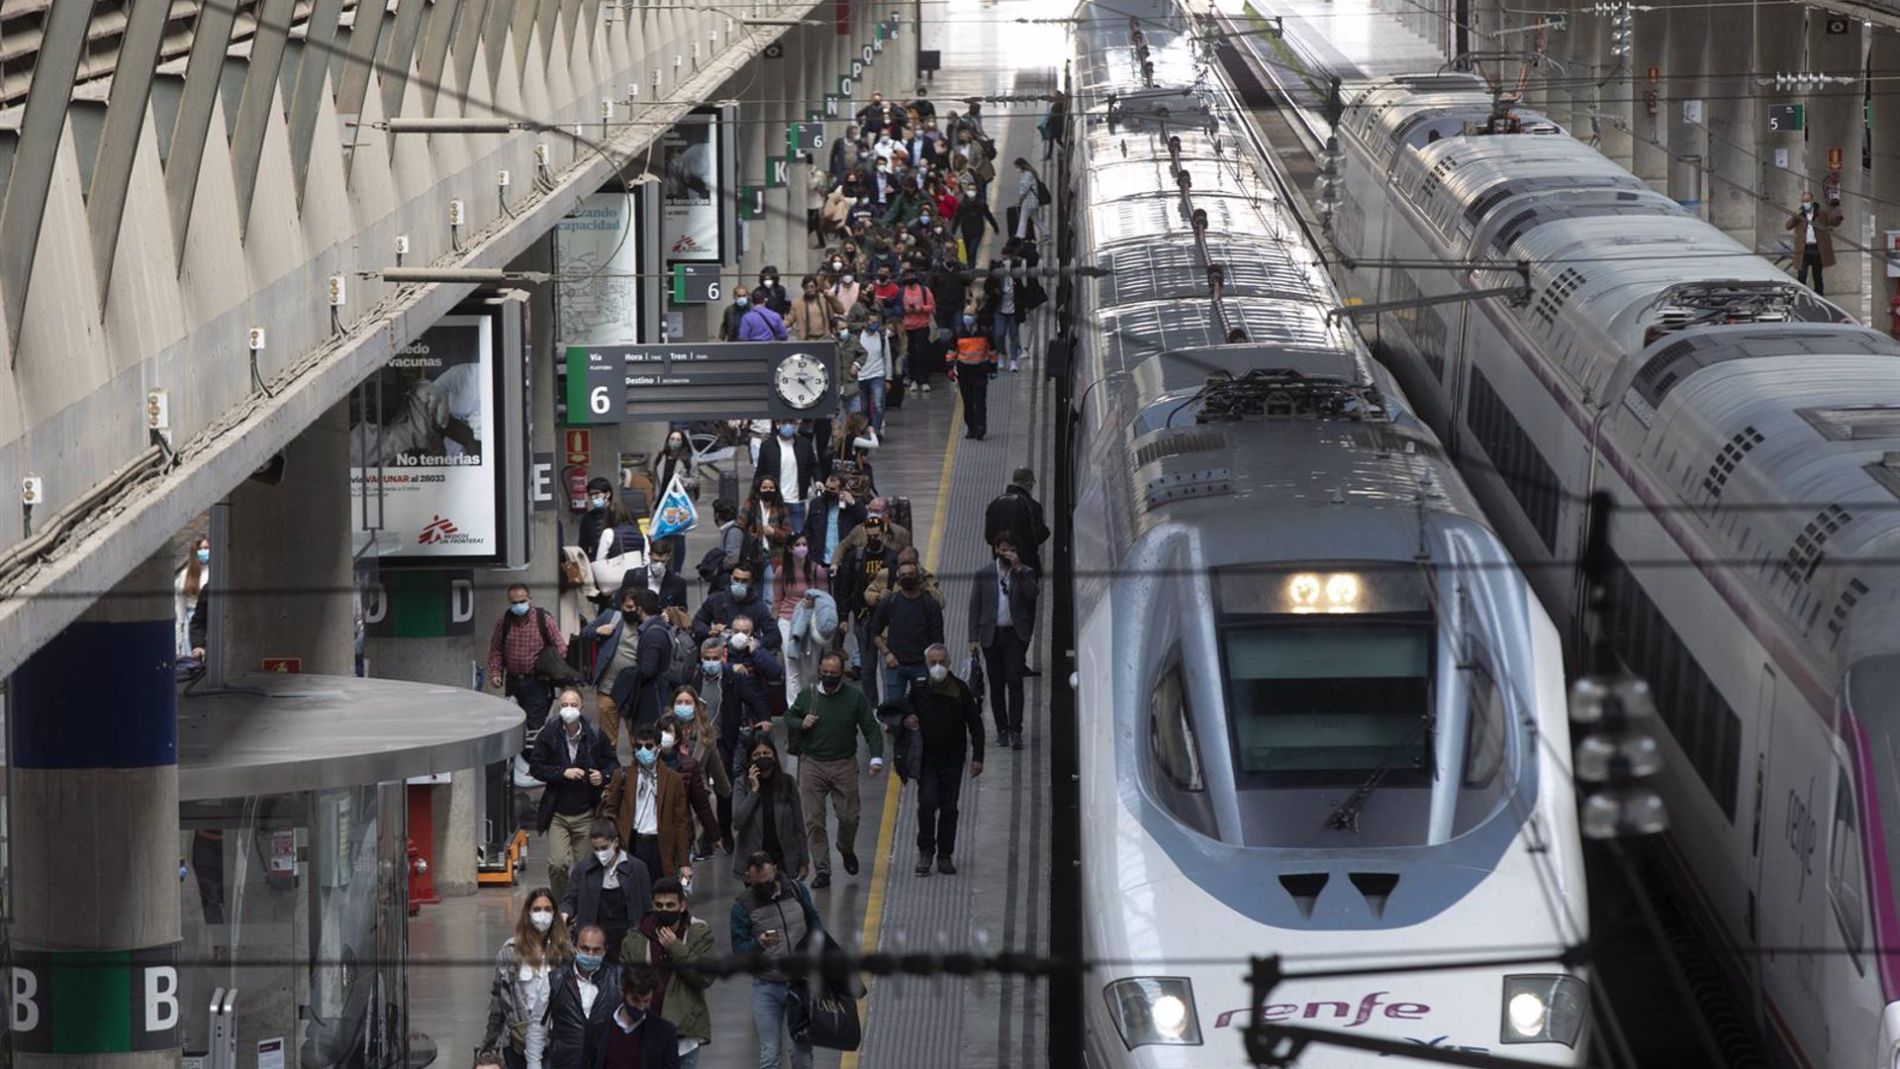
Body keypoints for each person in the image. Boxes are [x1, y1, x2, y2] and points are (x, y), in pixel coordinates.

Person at [786, 651, 884, 888]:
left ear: (843, 674)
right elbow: (789, 717)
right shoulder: (807, 696)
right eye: (825, 673)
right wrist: (802, 722)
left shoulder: (854, 698)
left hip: (844, 763)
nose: (829, 677)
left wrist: (876, 758)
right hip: (812, 764)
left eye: (834, 674)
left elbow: (870, 728)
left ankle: (846, 847)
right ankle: (823, 870)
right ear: (819, 671)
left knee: (849, 816)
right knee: (814, 821)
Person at [890, 645, 984, 875]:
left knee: (950, 808)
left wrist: (978, 757)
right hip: (927, 760)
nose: (938, 667)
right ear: (926, 664)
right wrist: (907, 721)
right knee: (927, 804)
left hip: (953, 760)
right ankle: (925, 852)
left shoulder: (960, 690)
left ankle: (945, 854)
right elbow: (901, 713)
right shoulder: (919, 690)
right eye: (933, 663)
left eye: (942, 661)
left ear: (949, 662)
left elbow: (975, 725)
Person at [731, 852, 823, 1069]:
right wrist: (758, 944)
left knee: (802, 1055)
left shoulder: (796, 890)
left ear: (774, 868)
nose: (766, 887)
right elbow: (739, 951)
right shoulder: (742, 907)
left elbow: (814, 920)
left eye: (768, 881)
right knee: (770, 1056)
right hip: (767, 986)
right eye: (759, 884)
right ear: (749, 878)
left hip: (800, 985)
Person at [530, 689, 617, 900]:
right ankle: (562, 907)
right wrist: (562, 772)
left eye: (573, 705)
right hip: (558, 814)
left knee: (586, 868)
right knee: (557, 865)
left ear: (581, 708)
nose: (569, 709)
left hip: (586, 813)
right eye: (564, 705)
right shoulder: (548, 735)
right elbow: (536, 767)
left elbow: (612, 763)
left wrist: (602, 775)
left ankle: (584, 908)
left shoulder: (595, 735)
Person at [621, 882, 711, 1067]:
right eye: (659, 905)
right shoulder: (635, 939)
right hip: (645, 1032)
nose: (664, 910)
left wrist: (675, 948)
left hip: (684, 1033)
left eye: (670, 905)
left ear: (682, 905)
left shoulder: (698, 932)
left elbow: (704, 977)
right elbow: (625, 983)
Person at [483, 888, 571, 1069]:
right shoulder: (509, 953)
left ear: (555, 914)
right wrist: (489, 1044)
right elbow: (498, 1002)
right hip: (517, 1042)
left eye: (547, 909)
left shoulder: (565, 953)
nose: (542, 914)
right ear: (528, 913)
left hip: (553, 1040)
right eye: (537, 909)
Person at [603, 726, 698, 888]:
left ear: (659, 748)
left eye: (648, 746)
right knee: (632, 893)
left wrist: (684, 862)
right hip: (632, 844)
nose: (643, 750)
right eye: (639, 746)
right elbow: (609, 811)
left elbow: (681, 823)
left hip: (660, 846)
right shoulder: (622, 776)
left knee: (659, 892)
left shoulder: (673, 780)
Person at [969, 534, 1039, 750]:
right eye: (1003, 549)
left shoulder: (1025, 573)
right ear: (996, 550)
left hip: (1015, 636)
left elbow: (1032, 595)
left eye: (1011, 549)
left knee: (1014, 680)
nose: (1006, 553)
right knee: (996, 683)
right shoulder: (984, 574)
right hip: (991, 635)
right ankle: (1002, 729)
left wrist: (1018, 569)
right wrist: (973, 638)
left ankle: (1016, 729)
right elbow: (975, 606)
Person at [560, 819, 653, 965]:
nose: (600, 853)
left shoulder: (637, 869)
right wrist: (565, 913)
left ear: (615, 842)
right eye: (595, 849)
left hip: (627, 935)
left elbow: (647, 905)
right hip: (594, 938)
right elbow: (570, 898)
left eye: (604, 848)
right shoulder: (583, 869)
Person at [488, 584, 567, 740]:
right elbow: (496, 649)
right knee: (513, 724)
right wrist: (496, 673)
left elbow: (561, 647)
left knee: (534, 727)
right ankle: (515, 761)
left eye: (522, 601)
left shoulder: (542, 620)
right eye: (514, 602)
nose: (518, 606)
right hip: (513, 681)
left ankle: (531, 761)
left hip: (537, 682)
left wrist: (550, 670)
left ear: (530, 599)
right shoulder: (504, 622)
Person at [667, 686, 731, 862]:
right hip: (669, 792)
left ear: (696, 705)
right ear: (672, 706)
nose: (684, 705)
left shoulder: (705, 734)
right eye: (679, 702)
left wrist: (725, 789)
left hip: (696, 791)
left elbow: (715, 765)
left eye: (688, 702)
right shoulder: (664, 731)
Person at [870, 555, 945, 705]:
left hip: (922, 666)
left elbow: (938, 640)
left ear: (918, 576)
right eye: (903, 575)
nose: (907, 578)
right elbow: (874, 632)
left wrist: (934, 665)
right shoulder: (889, 602)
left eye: (911, 574)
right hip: (895, 665)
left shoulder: (930, 604)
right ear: (898, 578)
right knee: (895, 712)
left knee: (924, 708)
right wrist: (887, 653)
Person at [733, 734, 809, 879]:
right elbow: (737, 822)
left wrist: (804, 860)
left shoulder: (788, 783)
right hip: (754, 865)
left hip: (784, 861)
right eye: (757, 755)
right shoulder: (741, 784)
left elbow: (799, 825)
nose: (762, 757)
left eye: (766, 753)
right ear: (750, 759)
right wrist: (754, 791)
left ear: (774, 756)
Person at [546, 925, 619, 1069]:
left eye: (596, 950)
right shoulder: (556, 979)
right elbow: (539, 1027)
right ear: (575, 947)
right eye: (585, 948)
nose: (590, 954)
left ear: (604, 951)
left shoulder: (616, 980)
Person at [772, 535, 831, 700]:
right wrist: (773, 627)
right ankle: (794, 708)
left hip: (810, 622)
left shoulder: (817, 570)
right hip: (787, 621)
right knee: (791, 668)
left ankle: (810, 705)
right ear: (790, 548)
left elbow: (825, 599)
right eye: (797, 544)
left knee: (810, 670)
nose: (802, 547)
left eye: (804, 544)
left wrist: (813, 604)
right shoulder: (781, 571)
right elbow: (777, 601)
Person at [598, 965, 682, 1069]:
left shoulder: (664, 1032)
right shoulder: (600, 1026)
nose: (641, 1007)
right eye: (635, 1000)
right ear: (622, 992)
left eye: (646, 1001)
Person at [691, 560, 780, 649]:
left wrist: (756, 643)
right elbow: (697, 622)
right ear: (731, 578)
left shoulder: (758, 607)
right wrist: (709, 631)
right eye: (736, 579)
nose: (739, 584)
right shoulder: (716, 599)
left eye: (744, 581)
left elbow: (774, 635)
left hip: (748, 655)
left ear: (751, 582)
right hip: (721, 651)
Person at [753, 423, 822, 534]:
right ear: (777, 424)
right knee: (775, 538)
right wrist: (755, 496)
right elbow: (760, 472)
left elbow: (814, 466)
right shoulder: (768, 446)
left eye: (792, 421)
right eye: (785, 421)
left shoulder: (804, 444)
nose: (789, 425)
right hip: (775, 501)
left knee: (797, 537)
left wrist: (818, 480)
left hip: (798, 501)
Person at [984, 466, 1051, 573]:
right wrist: (1047, 532)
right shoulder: (1032, 506)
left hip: (1001, 564)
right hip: (1026, 564)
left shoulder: (994, 504)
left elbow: (988, 537)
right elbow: (1038, 536)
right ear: (1028, 482)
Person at [649, 433, 698, 571]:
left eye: (678, 439)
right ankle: (660, 567)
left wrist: (682, 481)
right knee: (659, 536)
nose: (674, 442)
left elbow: (695, 481)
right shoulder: (659, 458)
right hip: (660, 503)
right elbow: (654, 480)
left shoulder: (688, 461)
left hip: (677, 505)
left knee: (678, 538)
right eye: (672, 439)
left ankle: (676, 569)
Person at [801, 475, 865, 569]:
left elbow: (864, 520)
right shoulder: (816, 503)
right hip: (820, 558)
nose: (828, 491)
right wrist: (811, 548)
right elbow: (808, 528)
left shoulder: (850, 505)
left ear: (841, 490)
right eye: (826, 487)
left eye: (832, 489)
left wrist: (853, 504)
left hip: (844, 559)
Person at [949, 311, 995, 440]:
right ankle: (971, 427)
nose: (967, 317)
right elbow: (952, 351)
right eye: (965, 314)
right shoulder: (958, 333)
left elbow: (992, 350)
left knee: (979, 400)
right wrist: (950, 368)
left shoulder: (984, 332)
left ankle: (980, 427)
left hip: (980, 370)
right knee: (968, 401)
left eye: (970, 314)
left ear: (976, 317)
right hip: (964, 372)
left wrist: (993, 367)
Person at [1787, 191, 1842, 295]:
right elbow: (1788, 226)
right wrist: (1795, 216)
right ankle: (1800, 296)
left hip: (1817, 248)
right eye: (1803, 201)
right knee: (1802, 275)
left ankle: (1819, 297)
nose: (1805, 203)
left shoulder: (1821, 213)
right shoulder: (1799, 214)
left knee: (1817, 275)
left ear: (1812, 201)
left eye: (1807, 201)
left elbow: (1834, 222)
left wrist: (1837, 213)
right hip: (1803, 249)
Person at [621, 540, 688, 611]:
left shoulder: (678, 583)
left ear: (669, 557)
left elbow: (682, 610)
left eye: (662, 561)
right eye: (655, 561)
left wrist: (670, 614)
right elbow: (620, 602)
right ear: (649, 556)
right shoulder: (632, 576)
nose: (658, 565)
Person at [899, 270, 938, 394]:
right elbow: (897, 307)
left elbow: (932, 306)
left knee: (923, 352)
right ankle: (913, 379)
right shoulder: (901, 292)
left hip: (922, 325)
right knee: (910, 353)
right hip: (907, 326)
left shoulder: (924, 290)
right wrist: (905, 310)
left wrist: (921, 308)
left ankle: (924, 379)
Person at [854, 310, 890, 434]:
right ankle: (864, 429)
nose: (875, 324)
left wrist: (888, 378)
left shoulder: (881, 335)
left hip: (877, 374)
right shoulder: (857, 337)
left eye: (877, 322)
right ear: (865, 323)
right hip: (861, 376)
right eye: (872, 322)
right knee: (862, 407)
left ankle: (876, 430)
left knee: (878, 404)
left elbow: (887, 356)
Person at [176, 536, 210, 658]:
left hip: (208, 619)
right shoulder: (185, 575)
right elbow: (180, 610)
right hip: (192, 622)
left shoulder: (215, 572)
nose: (204, 551)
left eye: (206, 548)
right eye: (200, 549)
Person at [789, 275, 840, 340]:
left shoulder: (825, 300)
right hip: (806, 339)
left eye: (812, 287)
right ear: (803, 288)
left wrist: (833, 298)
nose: (810, 289)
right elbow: (789, 320)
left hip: (824, 337)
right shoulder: (797, 303)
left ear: (816, 287)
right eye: (807, 287)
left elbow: (840, 310)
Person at [1011, 157, 1043, 242]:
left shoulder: (1027, 175)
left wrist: (1020, 200)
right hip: (1034, 201)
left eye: (1016, 167)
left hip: (1028, 202)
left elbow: (1024, 190)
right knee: (1036, 219)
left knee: (1022, 220)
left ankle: (1019, 238)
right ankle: (1046, 234)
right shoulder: (1031, 173)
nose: (1016, 169)